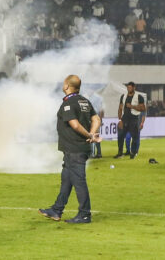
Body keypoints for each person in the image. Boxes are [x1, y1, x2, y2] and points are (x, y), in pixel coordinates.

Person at [39, 74, 100, 224]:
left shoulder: (68, 103)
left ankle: (85, 214)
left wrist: (89, 135)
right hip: (76, 149)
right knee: (66, 179)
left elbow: (74, 124)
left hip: (75, 149)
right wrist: (92, 133)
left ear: (67, 86)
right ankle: (56, 210)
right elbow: (96, 119)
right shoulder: (85, 101)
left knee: (79, 181)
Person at [115, 81, 145, 160]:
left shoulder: (139, 97)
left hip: (134, 119)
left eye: (130, 87)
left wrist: (132, 106)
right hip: (124, 119)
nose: (128, 89)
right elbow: (120, 107)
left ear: (134, 88)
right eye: (128, 87)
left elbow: (143, 108)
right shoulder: (123, 96)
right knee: (121, 136)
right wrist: (120, 119)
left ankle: (133, 153)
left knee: (134, 138)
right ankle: (120, 153)